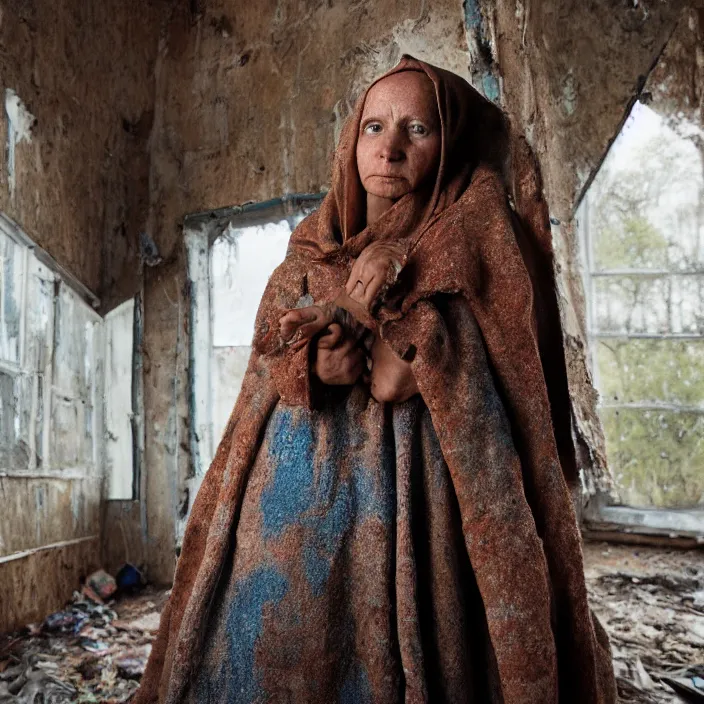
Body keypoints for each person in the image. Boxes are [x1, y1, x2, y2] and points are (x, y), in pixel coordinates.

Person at [134, 56, 617, 704]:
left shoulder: (472, 221)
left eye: (417, 129)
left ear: (449, 143)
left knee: (424, 646)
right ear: (351, 139)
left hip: (428, 503)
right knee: (283, 645)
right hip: (302, 510)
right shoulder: (314, 239)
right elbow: (267, 355)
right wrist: (309, 365)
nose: (389, 148)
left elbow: (505, 345)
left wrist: (423, 351)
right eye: (374, 127)